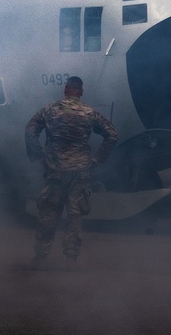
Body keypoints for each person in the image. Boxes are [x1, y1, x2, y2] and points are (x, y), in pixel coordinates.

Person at [25, 76, 118, 271]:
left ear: (65, 89)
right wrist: (97, 160)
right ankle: (71, 260)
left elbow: (30, 129)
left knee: (48, 214)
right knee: (74, 217)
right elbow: (112, 135)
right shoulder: (89, 113)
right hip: (79, 174)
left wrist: (40, 156)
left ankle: (41, 258)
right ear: (81, 91)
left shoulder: (50, 110)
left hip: (55, 172)